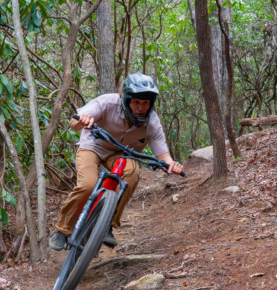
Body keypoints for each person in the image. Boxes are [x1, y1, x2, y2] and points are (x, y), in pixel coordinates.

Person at [49, 73, 184, 251]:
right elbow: (75, 121)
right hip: (93, 146)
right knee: (88, 185)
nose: (141, 107)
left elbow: (163, 154)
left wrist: (171, 165)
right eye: (136, 102)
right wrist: (83, 120)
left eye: (145, 103)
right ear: (127, 99)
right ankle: (62, 230)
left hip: (121, 155)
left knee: (133, 171)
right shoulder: (108, 103)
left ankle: (108, 224)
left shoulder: (152, 122)